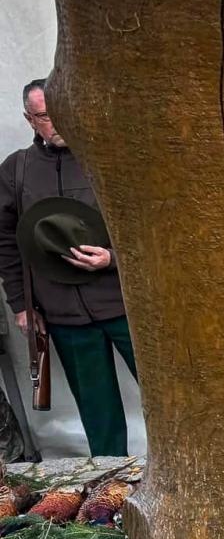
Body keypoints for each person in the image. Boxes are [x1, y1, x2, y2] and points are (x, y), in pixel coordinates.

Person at [0, 80, 139, 456]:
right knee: (99, 416)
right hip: (65, 315)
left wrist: (114, 259)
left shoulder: (109, 158)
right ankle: (111, 492)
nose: (57, 123)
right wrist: (21, 304)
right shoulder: (17, 171)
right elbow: (6, 243)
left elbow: (152, 228)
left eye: (63, 112)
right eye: (46, 116)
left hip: (128, 307)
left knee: (170, 399)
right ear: (30, 120)